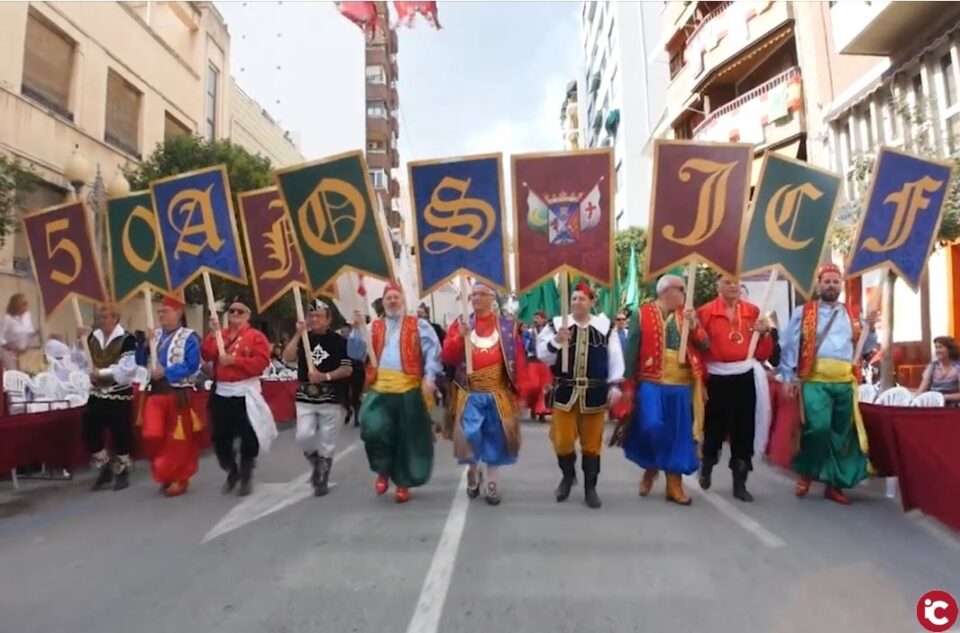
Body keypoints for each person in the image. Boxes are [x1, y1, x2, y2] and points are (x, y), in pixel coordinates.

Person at [779, 263, 877, 505]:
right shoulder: (804, 312)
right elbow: (789, 345)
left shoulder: (851, 314)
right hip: (815, 380)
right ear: (819, 285)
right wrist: (789, 377)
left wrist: (870, 328)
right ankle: (807, 472)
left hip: (845, 381)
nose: (831, 285)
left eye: (835, 282)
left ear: (841, 286)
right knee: (817, 428)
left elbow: (865, 348)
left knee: (840, 435)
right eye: (827, 281)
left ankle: (835, 484)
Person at [620, 274, 708, 506]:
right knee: (651, 425)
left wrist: (695, 324)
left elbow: (705, 345)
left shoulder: (687, 314)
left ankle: (674, 483)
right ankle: (651, 465)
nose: (685, 294)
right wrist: (628, 382)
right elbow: (632, 349)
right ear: (667, 290)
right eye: (682, 289)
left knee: (679, 433)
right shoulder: (643, 313)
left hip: (680, 383)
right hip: (650, 381)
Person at [537, 282, 624, 509]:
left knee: (592, 444)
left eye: (582, 299)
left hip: (595, 392)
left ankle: (590, 488)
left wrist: (615, 386)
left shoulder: (605, 328)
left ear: (592, 302)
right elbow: (542, 355)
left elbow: (615, 358)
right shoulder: (557, 325)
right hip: (565, 392)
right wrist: (556, 341)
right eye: (574, 299)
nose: (577, 302)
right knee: (563, 441)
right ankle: (567, 476)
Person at [442, 281, 528, 505]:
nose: (477, 298)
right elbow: (448, 357)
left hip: (498, 392)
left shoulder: (508, 327)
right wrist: (457, 338)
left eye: (482, 294)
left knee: (497, 438)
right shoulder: (461, 325)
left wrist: (522, 392)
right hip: (469, 392)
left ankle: (492, 482)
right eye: (474, 294)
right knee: (469, 435)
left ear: (492, 298)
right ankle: (472, 469)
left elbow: (517, 359)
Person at [355, 282, 441, 503]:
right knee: (372, 428)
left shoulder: (419, 326)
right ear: (382, 302)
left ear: (403, 300)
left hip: (408, 388)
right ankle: (383, 469)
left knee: (407, 438)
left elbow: (433, 353)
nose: (392, 301)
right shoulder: (373, 327)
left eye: (396, 297)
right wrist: (357, 329)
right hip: (379, 388)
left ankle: (402, 483)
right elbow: (354, 353)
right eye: (388, 298)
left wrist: (430, 378)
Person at [696, 276, 774, 502]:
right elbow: (698, 349)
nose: (733, 286)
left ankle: (740, 483)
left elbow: (762, 353)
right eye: (728, 282)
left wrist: (766, 333)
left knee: (744, 430)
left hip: (744, 376)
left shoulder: (753, 311)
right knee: (714, 428)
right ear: (717, 286)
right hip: (717, 377)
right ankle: (707, 465)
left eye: (736, 283)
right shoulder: (705, 312)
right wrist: (700, 380)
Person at [282, 299, 365, 497]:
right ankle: (316, 463)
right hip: (305, 397)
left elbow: (347, 369)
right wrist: (297, 334)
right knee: (303, 436)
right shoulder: (304, 338)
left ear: (328, 320)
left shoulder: (339, 342)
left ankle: (322, 478)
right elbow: (288, 357)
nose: (314, 319)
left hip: (331, 397)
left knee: (327, 441)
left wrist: (324, 376)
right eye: (311, 316)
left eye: (319, 316)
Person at [201, 295, 276, 497]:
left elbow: (261, 363)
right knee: (220, 437)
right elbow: (207, 354)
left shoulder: (256, 337)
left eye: (239, 311)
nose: (234, 314)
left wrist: (235, 361)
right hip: (222, 392)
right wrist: (212, 332)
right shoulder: (220, 334)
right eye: (232, 311)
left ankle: (246, 471)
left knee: (247, 436)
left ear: (247, 315)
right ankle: (230, 468)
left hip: (244, 392)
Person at [138, 296, 203, 498]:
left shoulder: (190, 337)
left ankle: (178, 477)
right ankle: (163, 469)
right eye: (159, 312)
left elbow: (192, 365)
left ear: (178, 313)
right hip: (155, 393)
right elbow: (140, 361)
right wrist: (145, 346)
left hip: (176, 393)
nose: (161, 315)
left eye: (165, 311)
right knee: (152, 434)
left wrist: (167, 372)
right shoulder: (154, 335)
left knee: (177, 439)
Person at [80, 305, 138, 491]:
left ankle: (122, 472)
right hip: (97, 392)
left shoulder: (127, 339)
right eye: (100, 317)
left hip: (118, 392)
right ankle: (104, 465)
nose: (102, 320)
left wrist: (102, 372)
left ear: (115, 318)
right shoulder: (92, 337)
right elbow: (82, 360)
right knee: (90, 429)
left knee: (120, 433)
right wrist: (80, 339)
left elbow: (127, 369)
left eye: (106, 316)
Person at [917, 336, 960, 405]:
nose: (937, 351)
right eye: (936, 348)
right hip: (932, 404)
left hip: (951, 406)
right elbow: (922, 389)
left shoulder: (958, 366)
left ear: (950, 350)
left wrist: (941, 397)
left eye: (940, 347)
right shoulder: (933, 366)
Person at [1, 293, 36, 371]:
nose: (27, 305)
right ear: (16, 305)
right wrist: (12, 348)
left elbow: (30, 331)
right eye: (24, 303)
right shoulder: (8, 319)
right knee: (14, 373)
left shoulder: (27, 315)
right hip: (9, 352)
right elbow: (1, 338)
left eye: (27, 303)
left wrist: (28, 345)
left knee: (26, 372)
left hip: (24, 351)